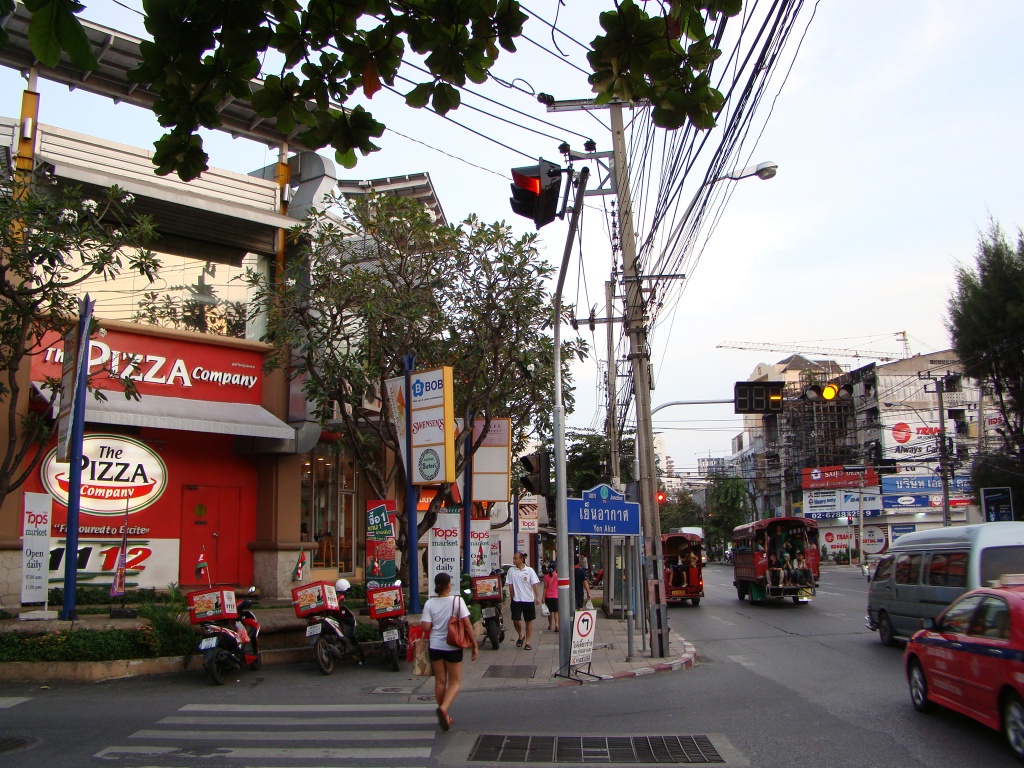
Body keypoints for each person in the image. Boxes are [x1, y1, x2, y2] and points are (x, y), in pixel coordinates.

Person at [419, 572, 477, 732]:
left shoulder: (430, 603)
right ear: (448, 585)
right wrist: (474, 645)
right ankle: (443, 709)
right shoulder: (457, 601)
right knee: (455, 682)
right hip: (452, 646)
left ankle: (444, 713)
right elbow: (467, 625)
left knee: (440, 681)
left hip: (435, 646)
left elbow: (425, 627)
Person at [506, 551, 541, 650]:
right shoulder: (511, 571)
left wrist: (537, 597)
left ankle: (527, 642)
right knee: (516, 620)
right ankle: (521, 634)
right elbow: (510, 585)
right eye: (513, 558)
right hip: (516, 600)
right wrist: (512, 596)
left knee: (528, 621)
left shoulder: (529, 570)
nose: (514, 560)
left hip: (528, 600)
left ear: (521, 559)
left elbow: (534, 584)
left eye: (515, 559)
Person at [542, 563, 559, 631]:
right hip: (556, 596)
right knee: (556, 611)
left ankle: (550, 625)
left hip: (548, 596)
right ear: (555, 568)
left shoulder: (546, 576)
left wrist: (543, 597)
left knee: (549, 612)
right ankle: (556, 625)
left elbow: (545, 587)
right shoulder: (557, 576)